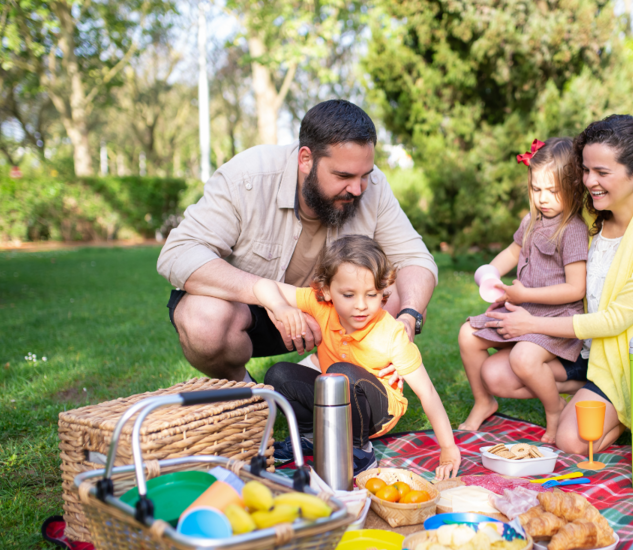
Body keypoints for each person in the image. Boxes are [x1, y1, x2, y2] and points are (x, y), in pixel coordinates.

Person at [157, 100, 437, 384]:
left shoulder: (373, 187)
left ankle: (324, 378)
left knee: (404, 290)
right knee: (202, 320)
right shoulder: (248, 176)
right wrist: (264, 293)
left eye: (365, 175)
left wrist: (409, 317)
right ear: (306, 159)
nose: (357, 188)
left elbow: (416, 259)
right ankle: (249, 394)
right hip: (253, 311)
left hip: (334, 314)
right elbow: (178, 253)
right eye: (343, 176)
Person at [481, 115, 633, 455]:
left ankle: (630, 410)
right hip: (584, 350)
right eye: (585, 170)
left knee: (571, 441)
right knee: (495, 374)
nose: (589, 181)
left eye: (602, 172)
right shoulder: (589, 216)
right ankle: (586, 392)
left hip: (626, 361)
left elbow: (615, 320)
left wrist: (532, 323)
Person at [254, 235, 461, 479]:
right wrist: (280, 307)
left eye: (371, 294)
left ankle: (359, 450)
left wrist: (448, 448)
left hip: (376, 413)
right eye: (349, 295)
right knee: (278, 374)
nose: (361, 305)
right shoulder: (321, 305)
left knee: (342, 372)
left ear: (383, 291)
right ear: (328, 291)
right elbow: (262, 286)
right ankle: (309, 436)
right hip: (337, 396)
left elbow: (427, 392)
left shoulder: (391, 333)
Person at [457, 137, 588, 444]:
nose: (543, 198)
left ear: (573, 187)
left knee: (525, 358)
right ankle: (484, 401)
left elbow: (575, 288)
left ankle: (555, 409)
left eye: (553, 191)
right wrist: (490, 272)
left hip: (555, 317)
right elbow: (514, 252)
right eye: (536, 189)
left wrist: (524, 295)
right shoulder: (531, 220)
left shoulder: (573, 229)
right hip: (521, 307)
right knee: (467, 335)